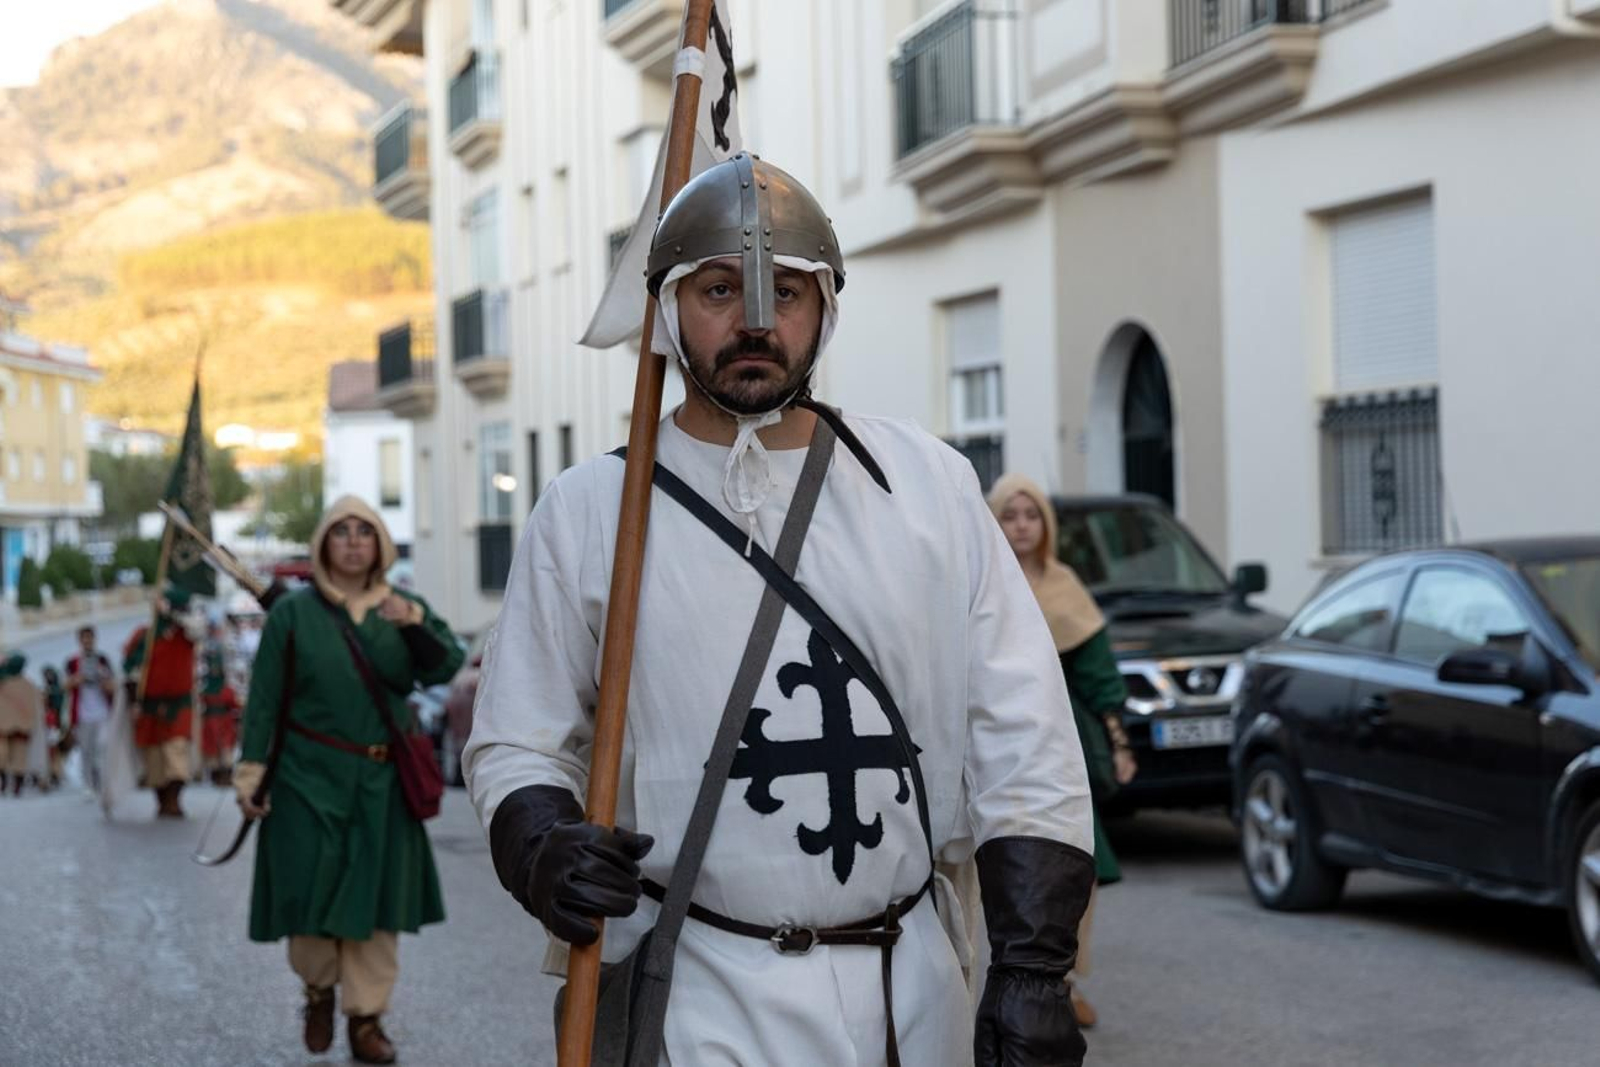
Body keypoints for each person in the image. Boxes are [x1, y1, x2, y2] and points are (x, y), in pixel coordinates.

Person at [466, 156, 1096, 1067]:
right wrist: (540, 843)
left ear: (825, 308)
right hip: (699, 991)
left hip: (911, 990)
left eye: (787, 293)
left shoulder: (929, 485)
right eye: (721, 288)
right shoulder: (593, 510)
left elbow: (1026, 732)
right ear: (669, 306)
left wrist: (1033, 968)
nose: (757, 321)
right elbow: (518, 737)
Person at [234, 496, 462, 1065]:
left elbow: (446, 666)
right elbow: (263, 697)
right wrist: (251, 770)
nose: (355, 540)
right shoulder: (293, 615)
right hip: (305, 777)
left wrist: (413, 628)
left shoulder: (403, 606)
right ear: (324, 544)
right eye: (342, 531)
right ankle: (317, 990)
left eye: (366, 531)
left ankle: (366, 1019)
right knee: (309, 899)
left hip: (381, 783)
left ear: (380, 544)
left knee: (376, 908)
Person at [990, 473, 1138, 1030]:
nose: (1022, 525)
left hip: (1061, 742)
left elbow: (1099, 674)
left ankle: (1061, 981)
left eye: (1031, 514)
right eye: (1010, 514)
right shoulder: (980, 581)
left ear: (1046, 525)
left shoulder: (1066, 587)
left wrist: (1119, 743)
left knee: (1072, 862)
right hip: (990, 738)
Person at [123, 587, 206, 818]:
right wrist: (134, 702)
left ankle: (174, 800)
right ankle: (162, 801)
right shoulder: (144, 636)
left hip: (178, 704)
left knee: (177, 754)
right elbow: (130, 669)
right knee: (155, 760)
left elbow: (197, 628)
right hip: (150, 706)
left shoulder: (185, 633)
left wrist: (173, 612)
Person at [66, 626, 117, 794]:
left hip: (102, 711)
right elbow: (65, 685)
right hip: (83, 713)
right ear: (79, 641)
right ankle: (88, 783)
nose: (87, 642)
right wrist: (77, 679)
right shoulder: (73, 662)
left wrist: (103, 679)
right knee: (86, 750)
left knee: (101, 748)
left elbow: (112, 685)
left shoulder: (102, 660)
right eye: (84, 638)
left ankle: (101, 780)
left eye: (90, 638)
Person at [199, 622, 240, 786]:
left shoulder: (218, 689)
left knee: (223, 748)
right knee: (218, 748)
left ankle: (222, 774)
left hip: (221, 720)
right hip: (215, 720)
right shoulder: (216, 689)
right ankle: (219, 775)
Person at [0, 653, 45, 796]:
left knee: (19, 757)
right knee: (3, 756)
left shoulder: (28, 686)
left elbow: (34, 706)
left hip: (21, 729)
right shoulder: (4, 683)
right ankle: (5, 782)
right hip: (4, 728)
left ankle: (16, 785)